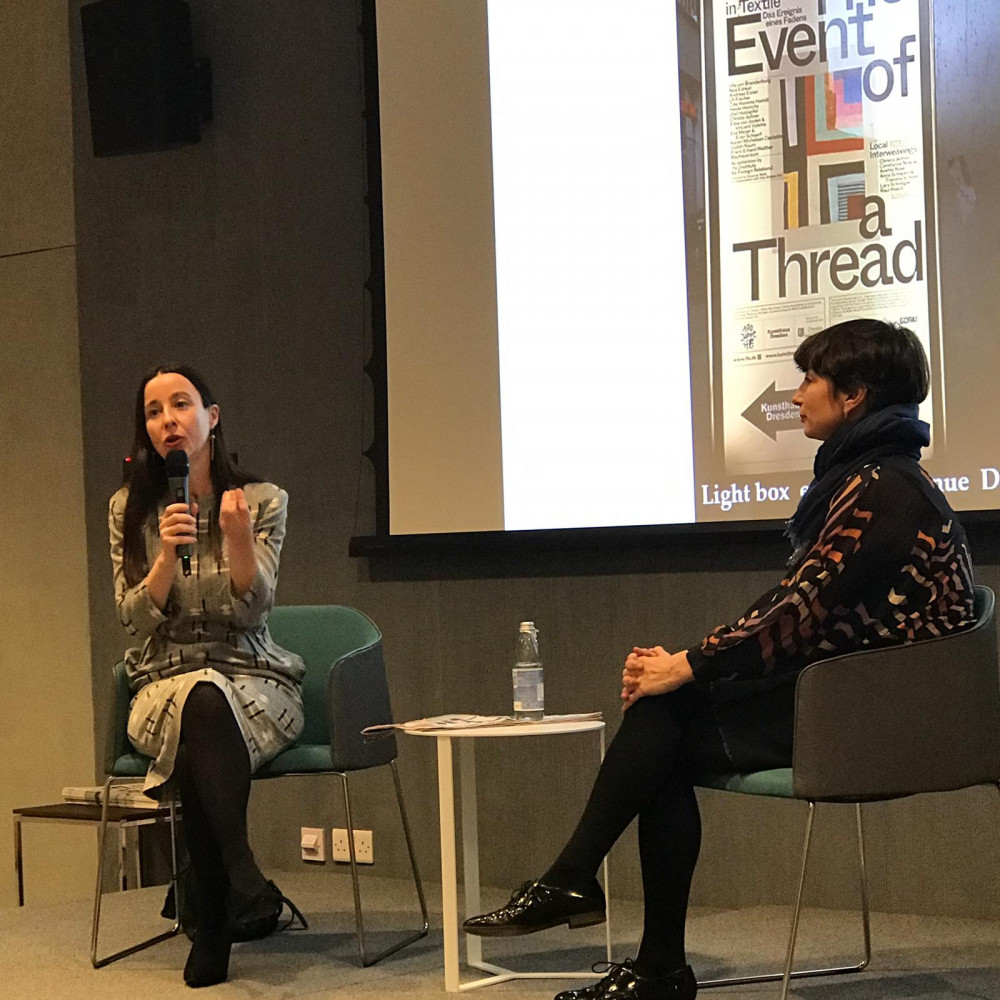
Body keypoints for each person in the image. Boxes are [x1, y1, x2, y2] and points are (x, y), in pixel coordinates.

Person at [462, 319, 975, 1000]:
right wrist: (688, 665)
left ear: (853, 395)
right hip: (855, 694)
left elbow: (798, 612)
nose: (795, 395)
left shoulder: (884, 490)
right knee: (664, 731)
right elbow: (803, 612)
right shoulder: (873, 477)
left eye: (810, 379)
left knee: (664, 724)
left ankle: (606, 914)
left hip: (887, 716)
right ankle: (624, 934)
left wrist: (688, 663)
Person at [109, 364, 305, 988]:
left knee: (209, 702)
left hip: (253, 676)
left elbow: (254, 612)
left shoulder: (262, 500)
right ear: (146, 431)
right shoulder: (128, 509)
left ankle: (215, 914)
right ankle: (240, 872)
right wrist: (167, 556)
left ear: (211, 418)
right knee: (197, 696)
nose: (168, 420)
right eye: (154, 411)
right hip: (161, 681)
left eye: (181, 404)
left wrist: (239, 540)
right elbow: (131, 619)